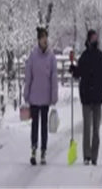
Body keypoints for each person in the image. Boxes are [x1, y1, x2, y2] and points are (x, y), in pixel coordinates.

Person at [69, 29, 102, 166]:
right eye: (93, 38)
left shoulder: (100, 56)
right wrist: (73, 68)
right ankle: (86, 155)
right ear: (88, 40)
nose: (95, 40)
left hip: (98, 97)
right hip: (86, 97)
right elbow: (79, 73)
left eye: (96, 38)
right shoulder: (84, 56)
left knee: (96, 129)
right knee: (87, 128)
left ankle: (94, 155)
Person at [24, 26, 58, 165]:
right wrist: (26, 94)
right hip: (34, 97)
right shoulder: (33, 56)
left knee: (44, 125)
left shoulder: (51, 57)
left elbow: (54, 78)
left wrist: (54, 96)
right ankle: (33, 149)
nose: (45, 40)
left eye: (46, 37)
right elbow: (28, 76)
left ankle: (43, 151)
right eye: (42, 37)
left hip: (45, 98)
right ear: (38, 40)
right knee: (34, 125)